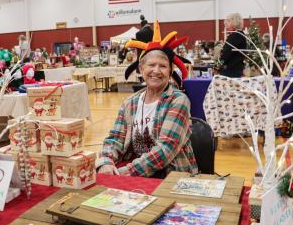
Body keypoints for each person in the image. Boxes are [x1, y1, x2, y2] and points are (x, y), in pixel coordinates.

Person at [96, 20, 197, 178]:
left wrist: (127, 171)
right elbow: (115, 138)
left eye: (163, 66)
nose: (156, 71)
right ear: (141, 69)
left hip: (171, 177)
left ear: (170, 72)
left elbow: (165, 150)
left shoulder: (178, 100)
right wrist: (106, 161)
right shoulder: (129, 103)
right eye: (151, 65)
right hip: (137, 176)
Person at [218, 13, 247, 77]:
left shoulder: (235, 35)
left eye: (228, 21)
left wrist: (217, 66)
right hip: (236, 69)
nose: (225, 24)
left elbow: (226, 54)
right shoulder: (240, 34)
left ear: (234, 22)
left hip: (231, 70)